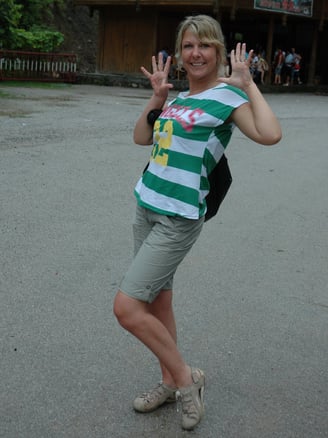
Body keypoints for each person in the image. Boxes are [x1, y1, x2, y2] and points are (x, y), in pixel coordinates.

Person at [113, 14, 281, 431]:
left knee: (127, 308)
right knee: (157, 302)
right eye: (188, 45)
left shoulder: (227, 99)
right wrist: (156, 100)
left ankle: (187, 379)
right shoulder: (177, 98)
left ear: (219, 52)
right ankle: (170, 381)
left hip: (179, 217)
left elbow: (269, 134)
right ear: (180, 53)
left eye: (204, 44)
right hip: (146, 205)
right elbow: (141, 139)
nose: (196, 52)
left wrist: (248, 84)